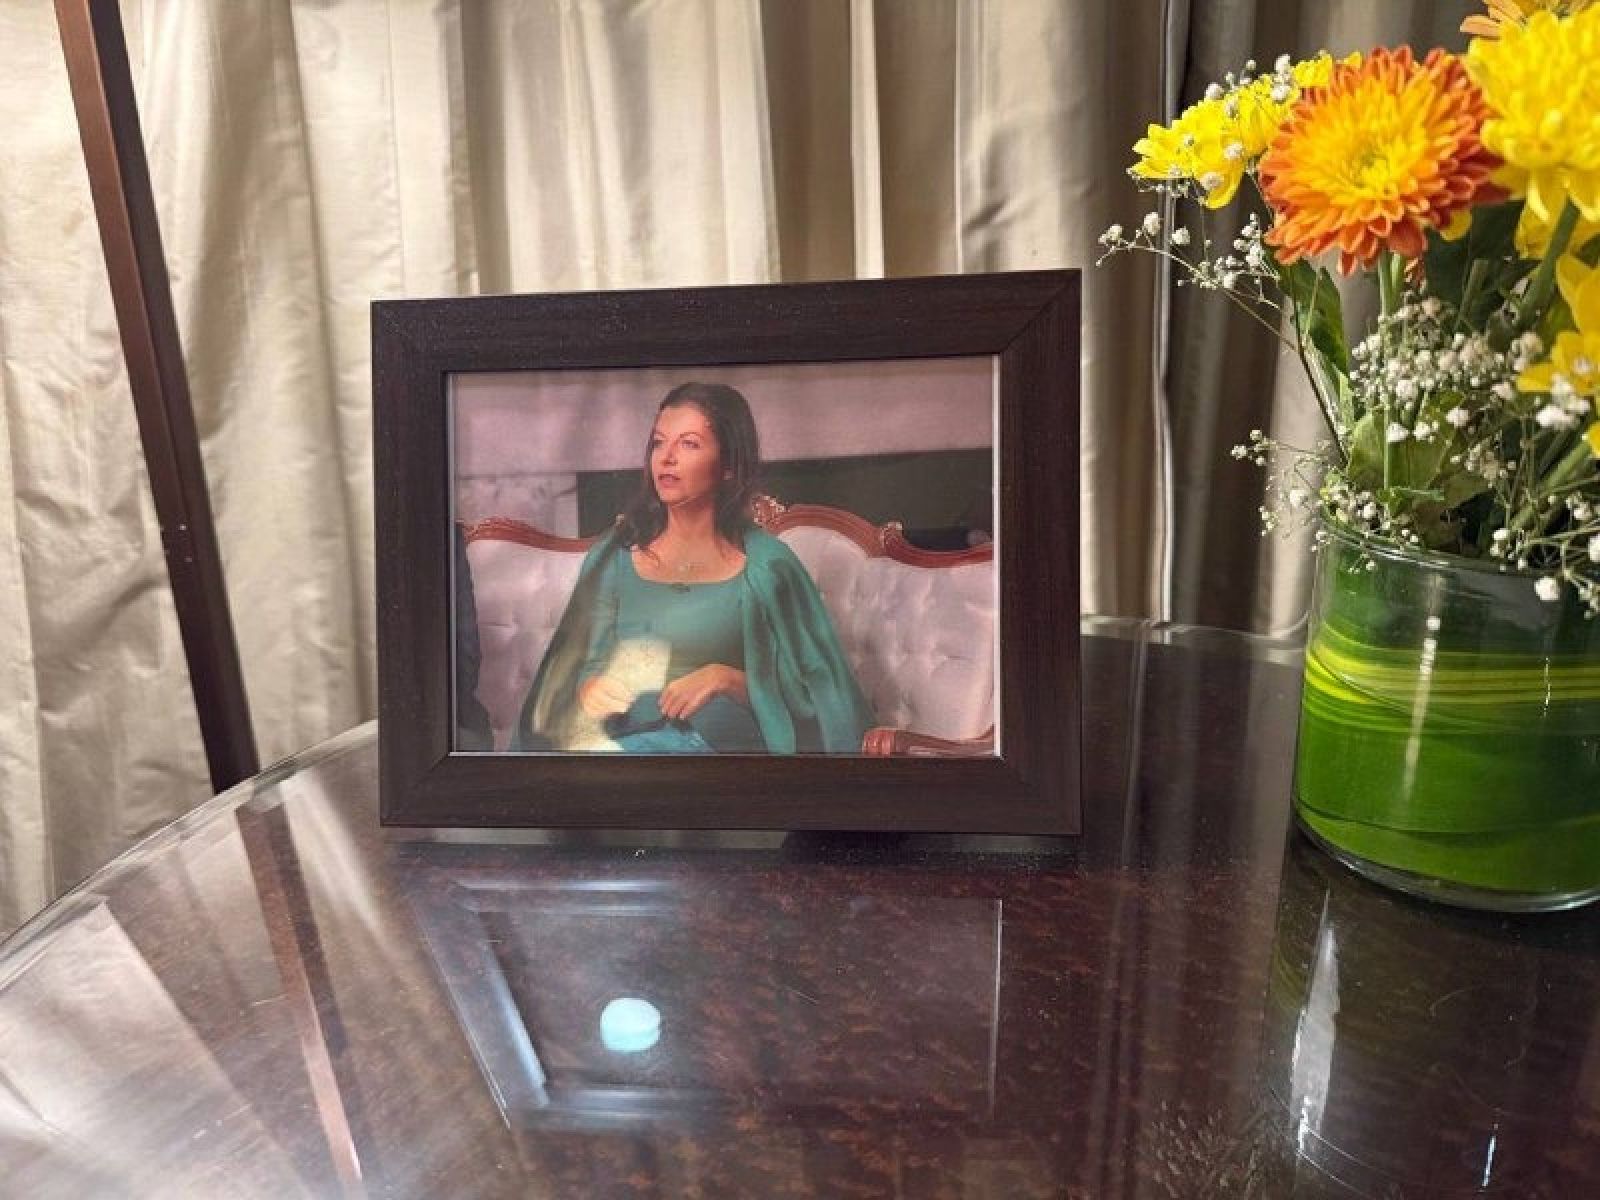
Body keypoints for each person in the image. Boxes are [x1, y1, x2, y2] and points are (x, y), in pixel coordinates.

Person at [513, 382, 874, 754]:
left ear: (729, 467)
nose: (666, 458)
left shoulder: (768, 566)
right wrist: (591, 688)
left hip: (722, 746)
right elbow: (580, 665)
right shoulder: (613, 556)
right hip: (622, 740)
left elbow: (815, 696)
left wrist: (727, 679)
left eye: (689, 444)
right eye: (658, 443)